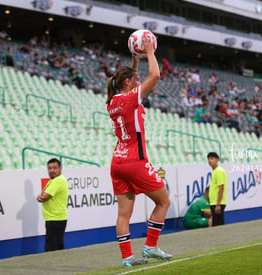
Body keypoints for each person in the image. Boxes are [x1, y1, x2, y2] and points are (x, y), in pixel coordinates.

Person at [106, 34, 172, 268]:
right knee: (163, 202)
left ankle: (126, 257)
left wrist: (134, 60)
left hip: (117, 162)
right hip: (135, 160)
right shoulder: (131, 99)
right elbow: (155, 75)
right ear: (128, 84)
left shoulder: (113, 101)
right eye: (136, 79)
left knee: (124, 214)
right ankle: (151, 245)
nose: (138, 81)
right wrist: (150, 51)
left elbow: (124, 80)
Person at [36, 158, 69, 252]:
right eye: (50, 168)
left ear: (60, 168)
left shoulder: (58, 180)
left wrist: (40, 197)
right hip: (56, 218)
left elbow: (43, 196)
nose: (52, 171)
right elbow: (42, 195)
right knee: (58, 248)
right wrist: (41, 196)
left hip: (55, 219)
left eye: (54, 168)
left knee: (51, 250)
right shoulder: (54, 180)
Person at [207, 152, 227, 226]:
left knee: (218, 226)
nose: (209, 160)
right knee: (217, 224)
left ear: (217, 160)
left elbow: (221, 188)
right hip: (214, 203)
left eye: (212, 158)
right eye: (208, 159)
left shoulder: (219, 171)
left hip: (217, 203)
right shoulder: (215, 171)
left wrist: (218, 204)